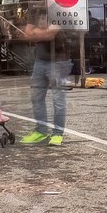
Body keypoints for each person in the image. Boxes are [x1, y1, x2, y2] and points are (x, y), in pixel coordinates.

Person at [19, 8, 72, 146]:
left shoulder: (57, 9)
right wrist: (40, 33)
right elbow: (28, 34)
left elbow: (50, 35)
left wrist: (36, 33)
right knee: (36, 98)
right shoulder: (35, 10)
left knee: (58, 100)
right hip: (40, 61)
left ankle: (57, 134)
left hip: (58, 61)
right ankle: (41, 131)